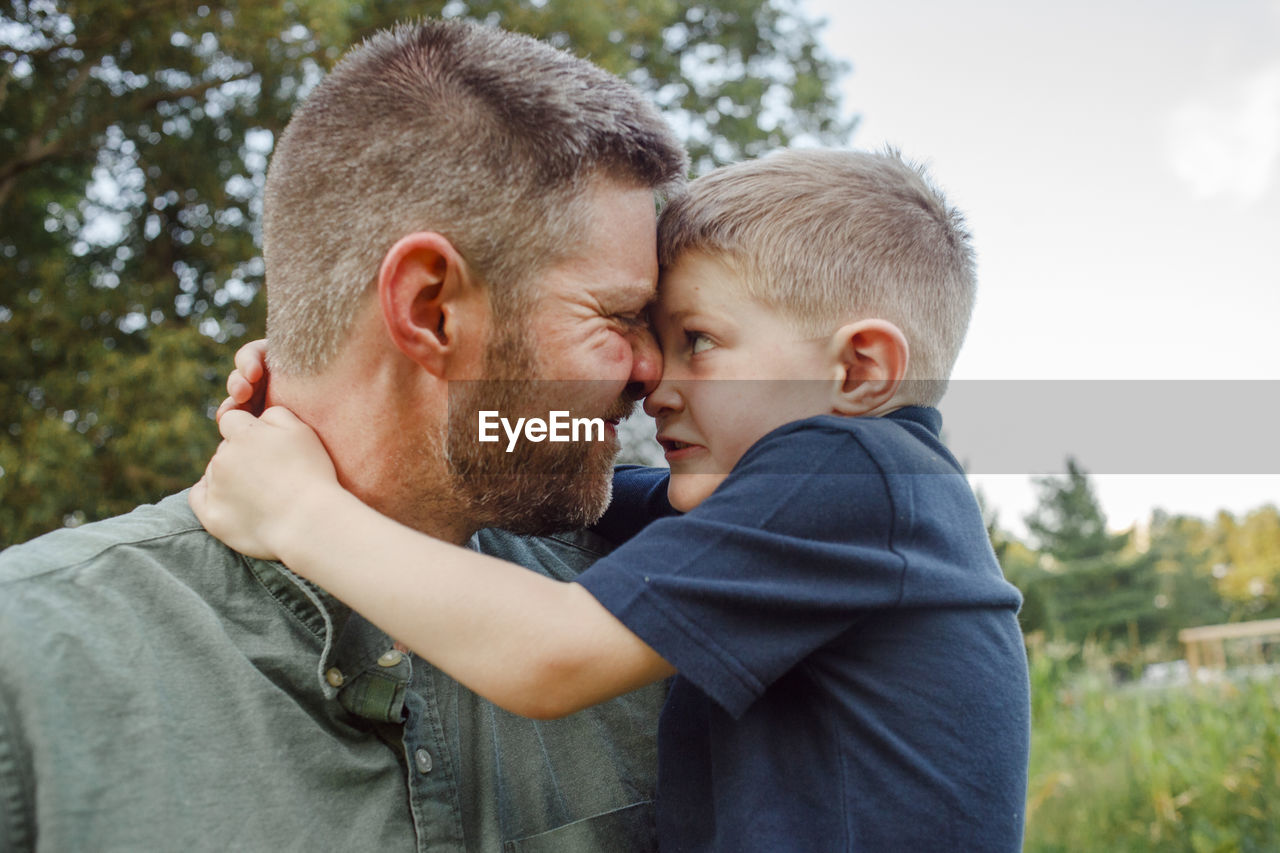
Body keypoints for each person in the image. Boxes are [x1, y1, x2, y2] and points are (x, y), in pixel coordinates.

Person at [194, 149, 1032, 852]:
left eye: (697, 341)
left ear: (857, 372)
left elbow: (551, 654)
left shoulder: (854, 470)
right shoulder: (816, 513)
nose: (655, 384)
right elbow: (583, 491)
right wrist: (363, 391)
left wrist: (296, 505)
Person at [0, 19, 689, 852]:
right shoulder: (29, 660)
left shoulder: (645, 624)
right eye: (619, 317)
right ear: (428, 308)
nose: (653, 370)